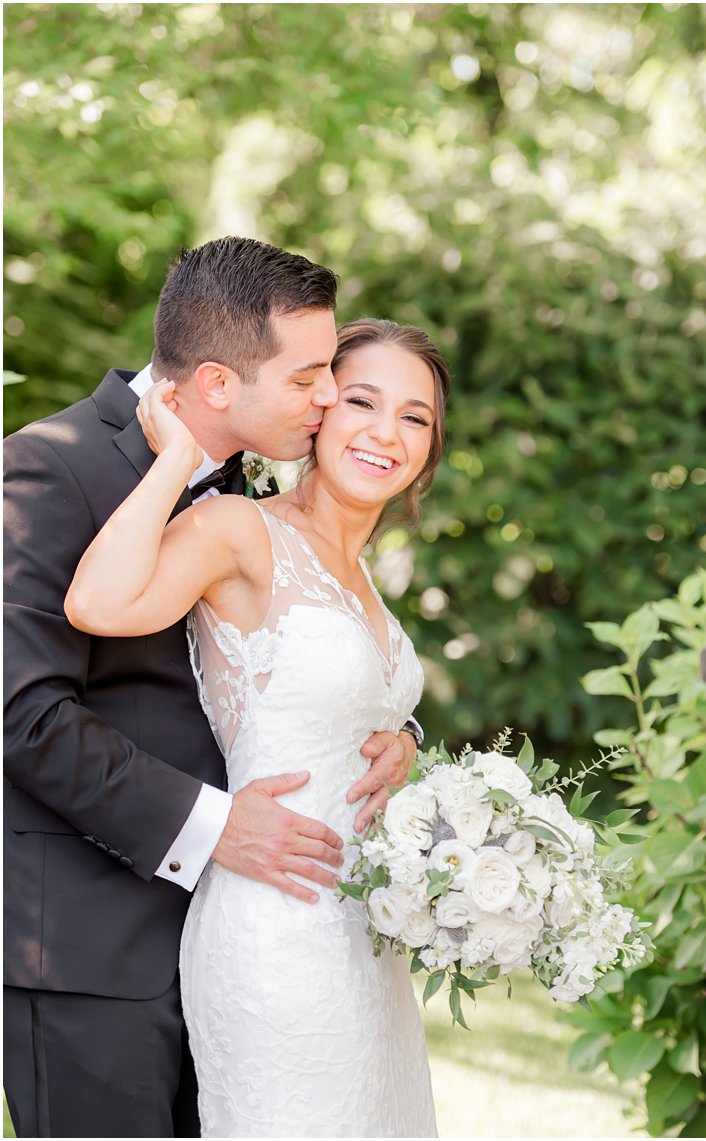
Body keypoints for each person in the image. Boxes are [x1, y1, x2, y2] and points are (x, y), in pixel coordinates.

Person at [3, 238, 418, 1137]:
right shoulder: (48, 466)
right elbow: (22, 716)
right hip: (92, 951)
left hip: (253, 943)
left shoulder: (257, 491)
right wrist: (216, 824)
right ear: (221, 384)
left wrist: (400, 730)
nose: (327, 397)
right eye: (311, 377)